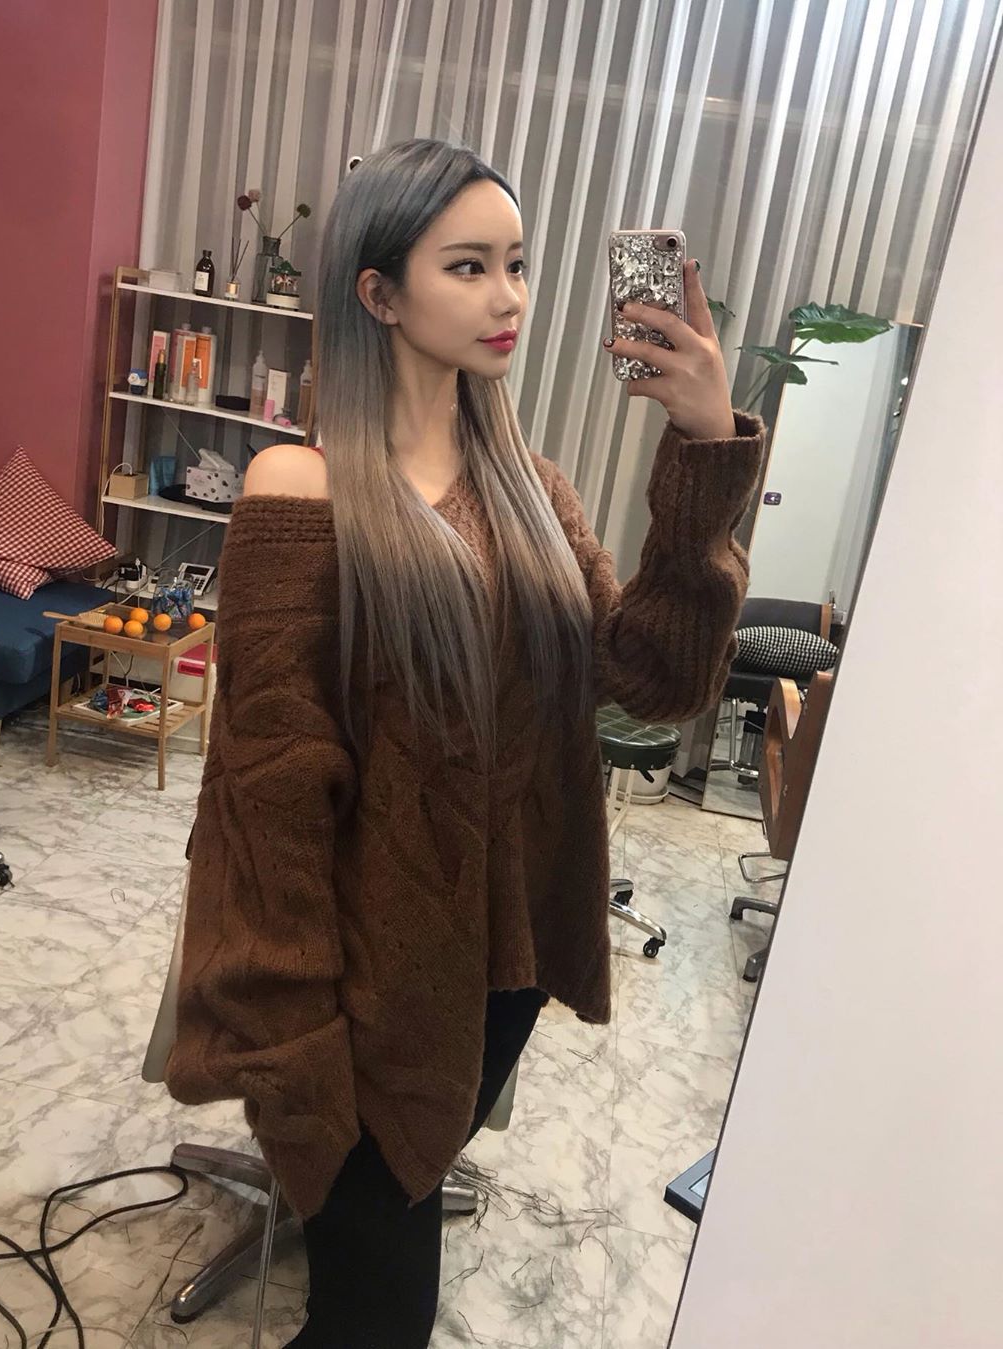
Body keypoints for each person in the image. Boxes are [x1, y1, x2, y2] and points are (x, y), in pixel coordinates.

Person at [165, 138, 765, 1348]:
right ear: (379, 292)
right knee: (383, 1311)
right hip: (359, 975)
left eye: (520, 264)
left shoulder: (536, 492)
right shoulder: (300, 488)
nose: (510, 296)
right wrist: (292, 1042)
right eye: (470, 265)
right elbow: (268, 795)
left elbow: (654, 682)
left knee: (394, 1242)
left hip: (508, 957)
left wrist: (703, 451)